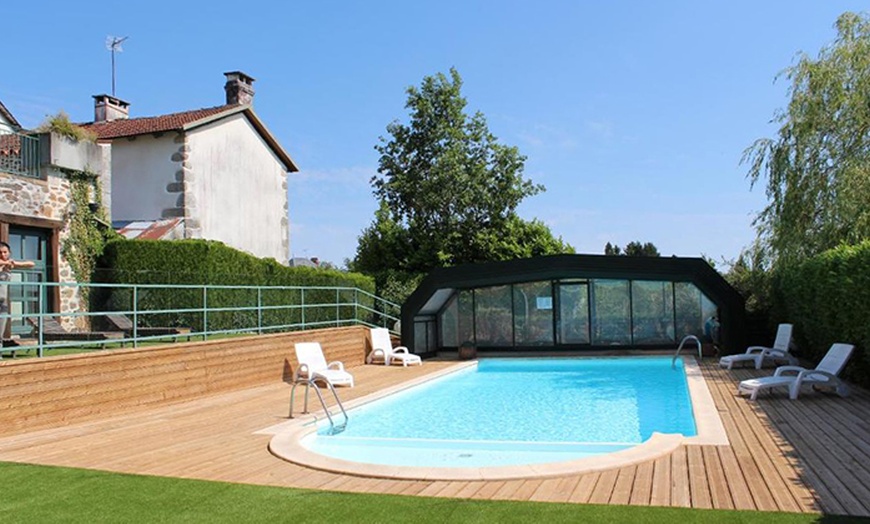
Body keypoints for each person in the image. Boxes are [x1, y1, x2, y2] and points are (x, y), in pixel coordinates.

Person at [0, 241, 35, 341]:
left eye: (5, 252)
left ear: (9, 252)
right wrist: (6, 263)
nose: (3, 254)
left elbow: (31, 264)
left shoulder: (9, 264)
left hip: (3, 302)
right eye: (0, 253)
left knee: (1, 328)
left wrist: (15, 263)